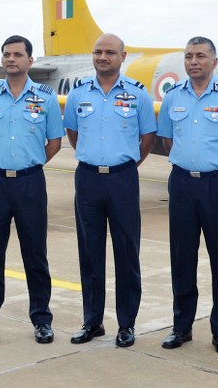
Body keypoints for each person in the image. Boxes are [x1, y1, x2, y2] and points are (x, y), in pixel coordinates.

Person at [156, 36, 218, 356]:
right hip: (182, 184)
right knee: (182, 257)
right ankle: (181, 326)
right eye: (188, 56)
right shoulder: (173, 98)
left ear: (214, 62)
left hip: (216, 186)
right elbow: (168, 141)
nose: (193, 62)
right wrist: (189, 167)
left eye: (200, 56)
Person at [0, 35, 63, 344]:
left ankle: (41, 319)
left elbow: (55, 142)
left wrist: (29, 165)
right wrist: (1, 161)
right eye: (6, 54)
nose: (11, 59)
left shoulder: (44, 97)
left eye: (18, 54)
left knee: (35, 252)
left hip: (31, 182)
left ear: (30, 61)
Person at [63, 33, 156, 348]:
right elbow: (73, 134)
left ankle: (126, 324)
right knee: (89, 253)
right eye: (98, 52)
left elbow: (147, 139)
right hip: (88, 178)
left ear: (123, 56)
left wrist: (123, 165)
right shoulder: (78, 94)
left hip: (122, 179)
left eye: (110, 52)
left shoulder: (138, 94)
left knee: (126, 253)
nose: (103, 57)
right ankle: (92, 321)